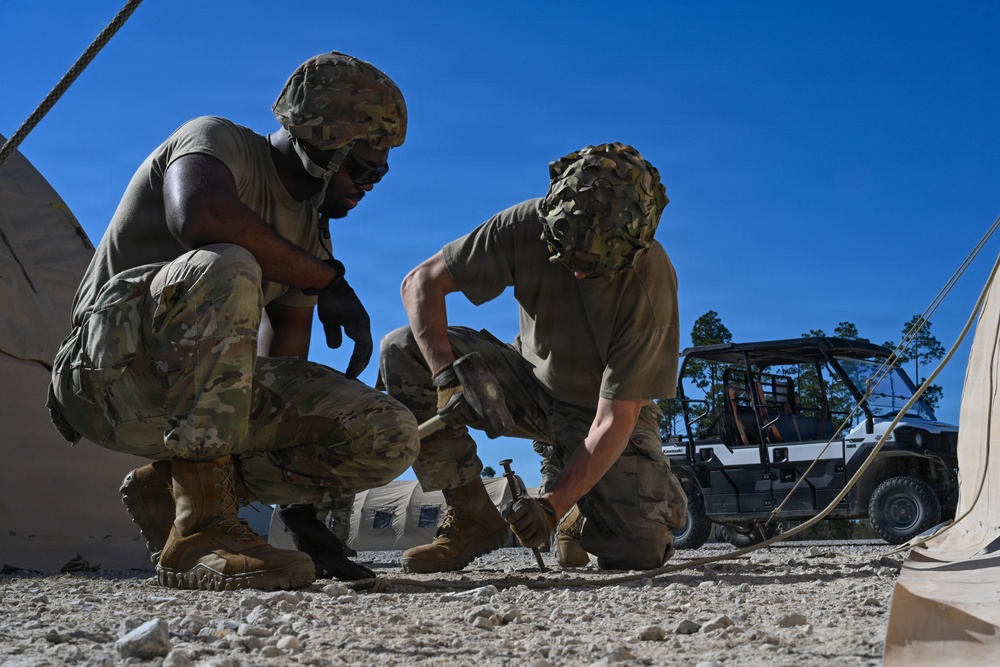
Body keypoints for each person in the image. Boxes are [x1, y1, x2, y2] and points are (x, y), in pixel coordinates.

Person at [46, 52, 419, 591]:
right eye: (363, 168)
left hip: (188, 408)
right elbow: (198, 215)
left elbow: (278, 364)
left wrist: (299, 506)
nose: (367, 186)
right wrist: (325, 279)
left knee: (387, 432)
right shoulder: (215, 140)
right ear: (322, 145)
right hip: (107, 379)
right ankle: (201, 532)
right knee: (227, 263)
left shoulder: (310, 232)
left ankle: (174, 491)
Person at [379, 142, 688, 573]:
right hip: (524, 384)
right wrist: (446, 376)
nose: (578, 271)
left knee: (638, 552)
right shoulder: (528, 223)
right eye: (568, 253)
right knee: (401, 348)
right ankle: (470, 513)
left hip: (600, 410)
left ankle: (580, 511)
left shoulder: (650, 282)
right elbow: (420, 282)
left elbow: (613, 421)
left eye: (593, 265)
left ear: (633, 243)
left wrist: (551, 505)